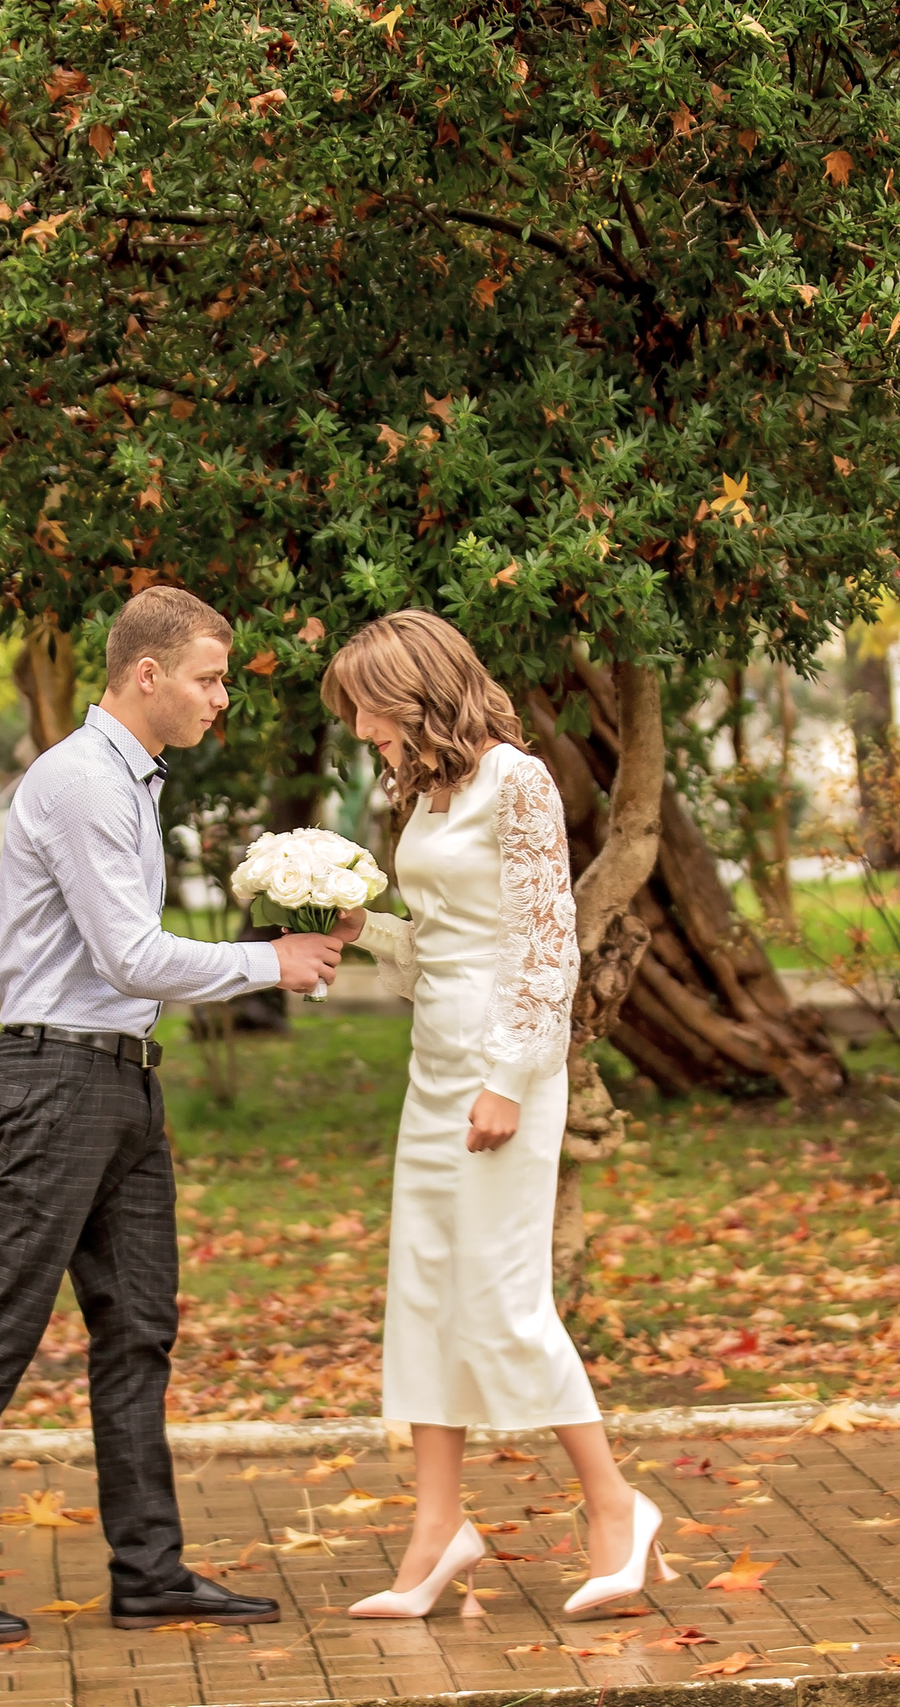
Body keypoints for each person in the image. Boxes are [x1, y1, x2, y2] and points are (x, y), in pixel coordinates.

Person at [0, 587, 350, 1644]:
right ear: (147, 675)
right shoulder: (82, 781)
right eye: (208, 677)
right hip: (58, 1083)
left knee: (137, 1331)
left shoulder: (131, 780)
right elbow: (129, 954)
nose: (220, 696)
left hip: (121, 1079)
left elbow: (130, 963)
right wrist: (268, 960)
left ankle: (149, 1570)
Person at [321, 610, 669, 1622]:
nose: (360, 732)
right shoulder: (428, 798)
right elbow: (438, 946)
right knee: (424, 1293)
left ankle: (617, 1509)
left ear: (415, 690)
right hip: (434, 1061)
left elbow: (545, 944)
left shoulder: (516, 779)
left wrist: (510, 1079)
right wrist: (364, 929)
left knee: (503, 1300)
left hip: (496, 1065)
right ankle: (437, 1535)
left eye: (367, 711)